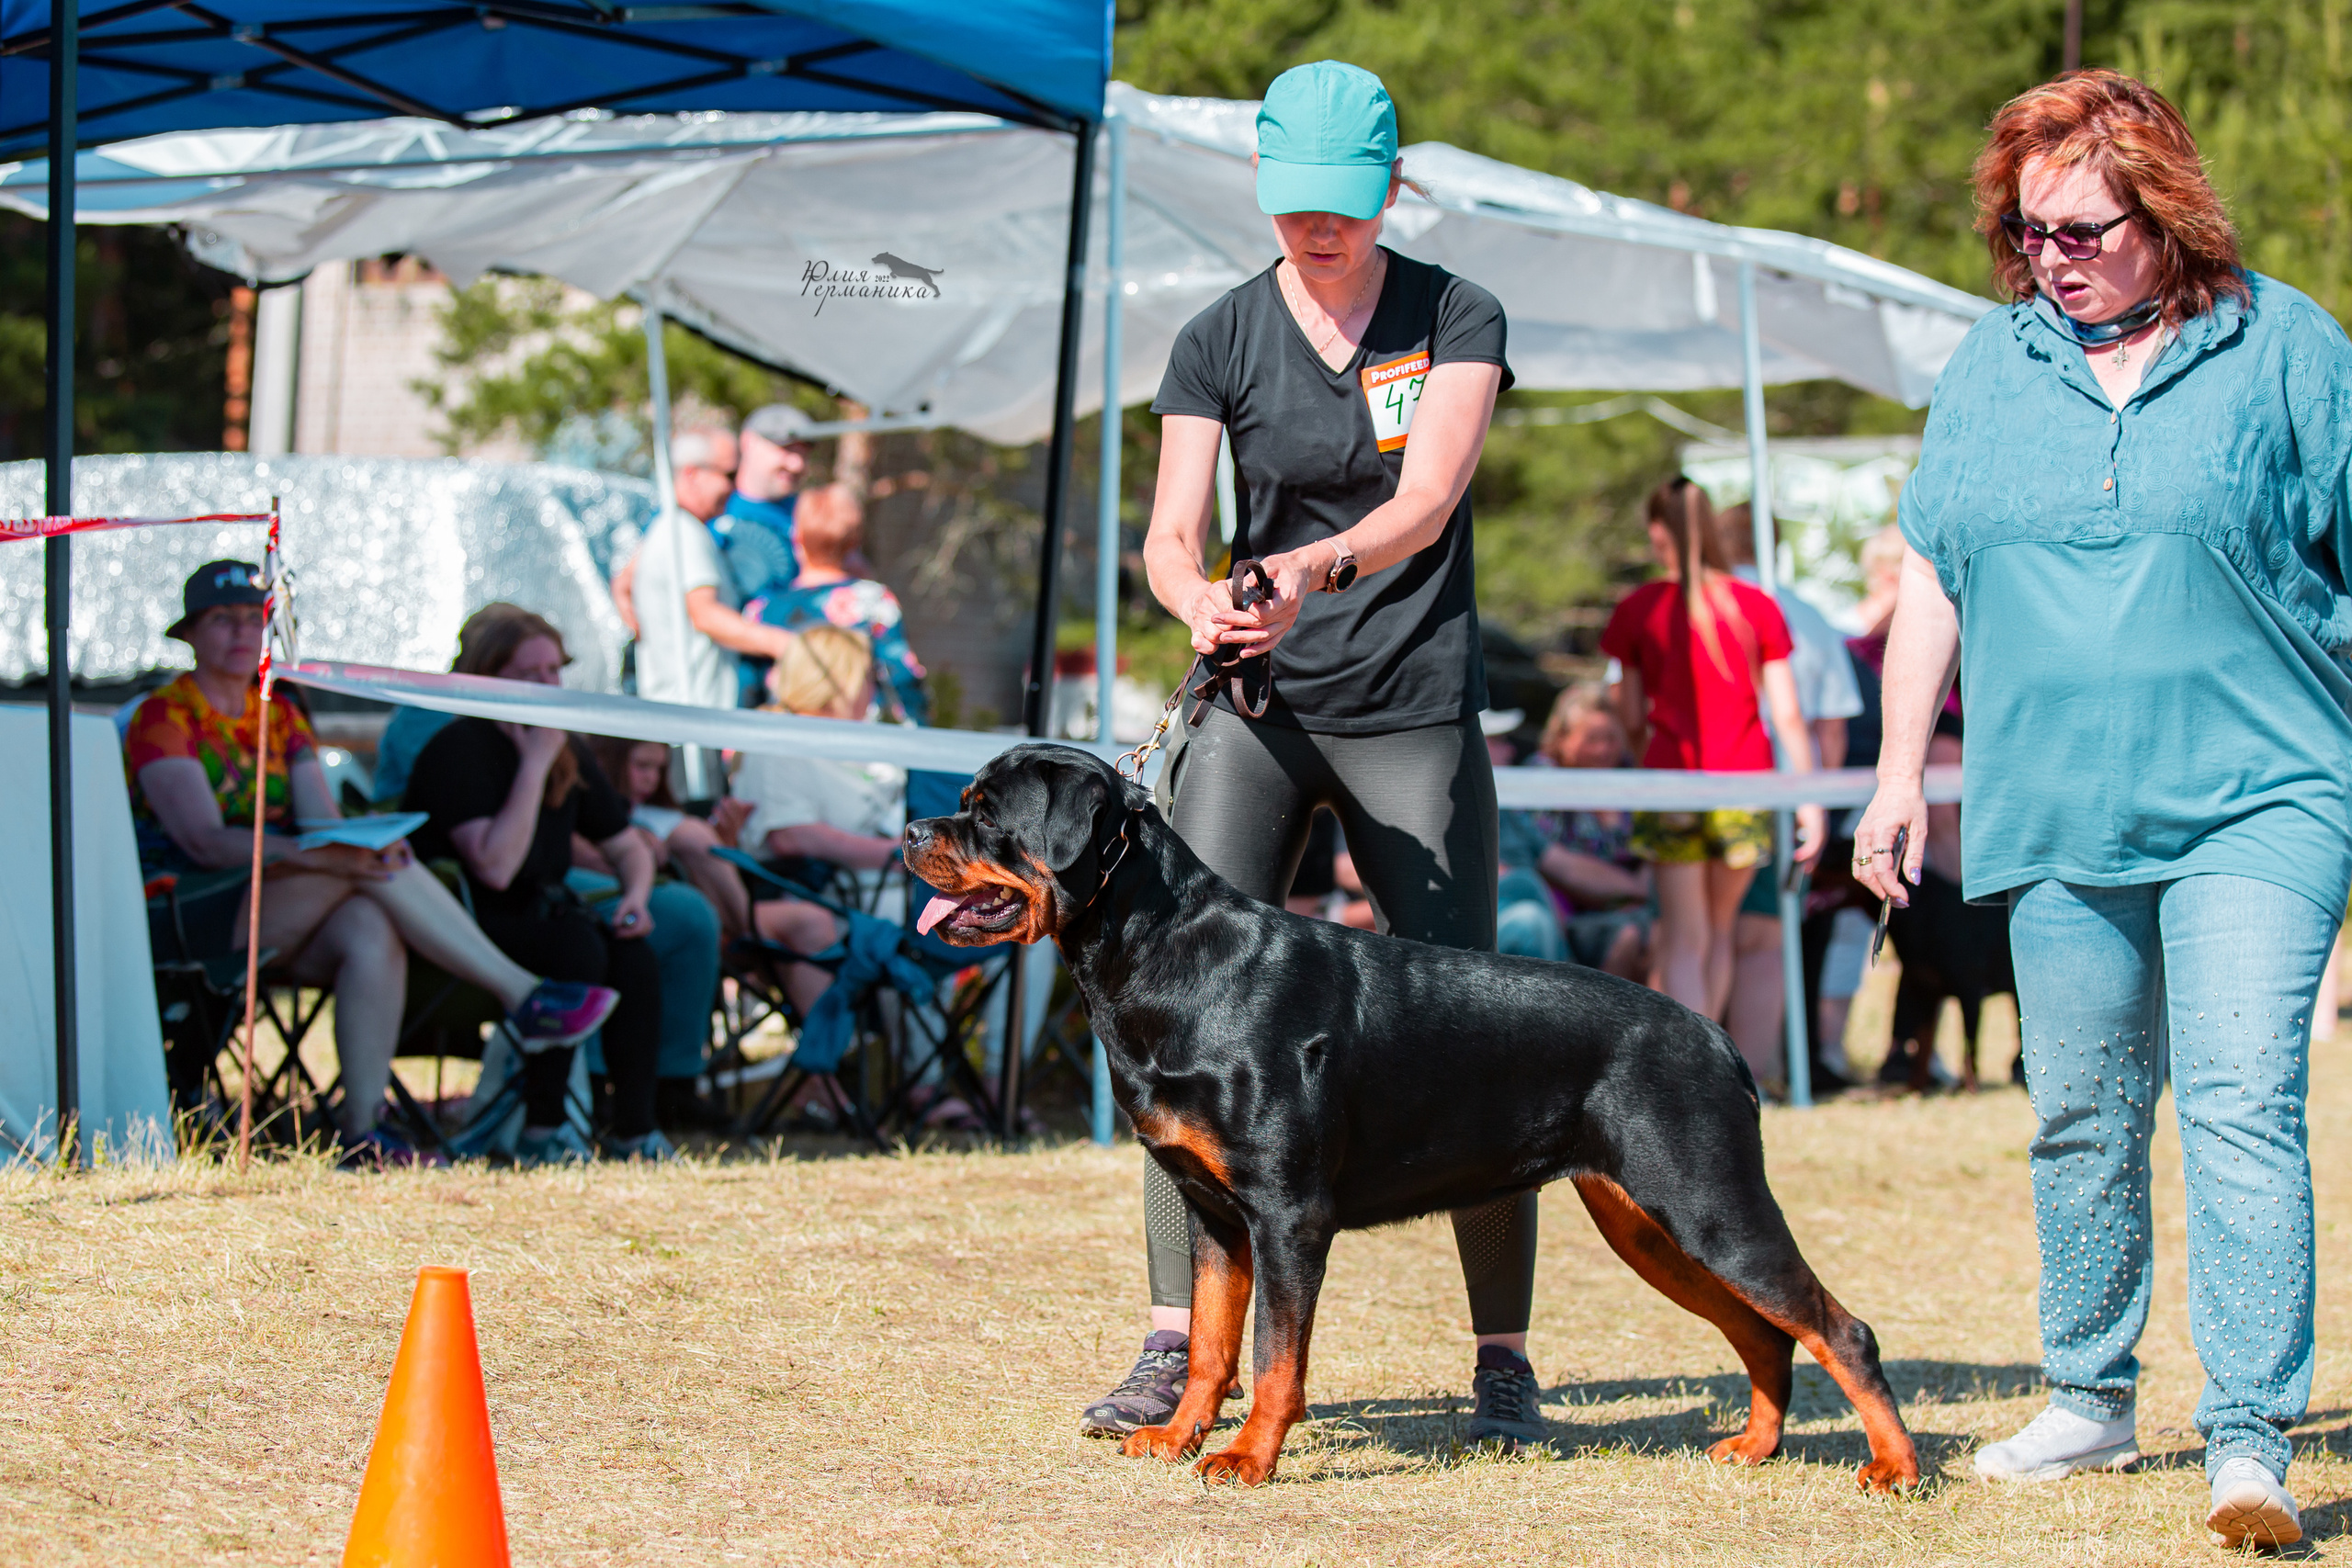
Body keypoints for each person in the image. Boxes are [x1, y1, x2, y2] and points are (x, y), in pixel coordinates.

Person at [1851, 70, 2352, 1548]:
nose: (2050, 254)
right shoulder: (1992, 364)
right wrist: (1895, 771)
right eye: (2027, 231)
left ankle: (2249, 1439)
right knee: (2077, 1112)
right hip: (2056, 801)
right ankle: (2088, 1391)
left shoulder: (2289, 346)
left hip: (2265, 795)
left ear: (2168, 211)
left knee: (2244, 1098)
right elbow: (1934, 564)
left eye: (2082, 226)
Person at [1091, 59, 1541, 1449]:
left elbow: (1429, 493)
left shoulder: (1454, 311)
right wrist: (1199, 599)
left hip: (1409, 706)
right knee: (1175, 1013)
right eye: (1295, 207)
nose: (1318, 230)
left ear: (1393, 186)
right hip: (1255, 711)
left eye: (1344, 206)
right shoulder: (1218, 336)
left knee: (1481, 1021)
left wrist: (1310, 566)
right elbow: (1172, 534)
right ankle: (1176, 1342)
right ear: (1264, 190)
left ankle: (1504, 1355)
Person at [125, 562, 618, 1163]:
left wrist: (355, 843)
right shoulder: (164, 715)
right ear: (192, 634)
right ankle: (522, 994)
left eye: (254, 620)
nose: (241, 633)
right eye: (220, 620)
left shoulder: (280, 715)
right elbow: (205, 842)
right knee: (364, 866)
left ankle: (362, 1132)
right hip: (191, 907)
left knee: (371, 919)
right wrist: (341, 855)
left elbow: (321, 822)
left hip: (280, 896)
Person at [402, 608, 673, 1165]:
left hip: (542, 914)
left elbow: (626, 845)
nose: (549, 685)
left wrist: (635, 900)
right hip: (461, 927)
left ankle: (634, 1133)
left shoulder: (560, 747)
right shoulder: (460, 750)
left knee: (632, 953)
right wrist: (534, 765)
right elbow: (496, 868)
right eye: (533, 673)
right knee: (576, 948)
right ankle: (541, 1130)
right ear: (492, 674)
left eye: (556, 670)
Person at [1601, 479, 1823, 1051]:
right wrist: (1810, 798)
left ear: (1656, 532)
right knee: (1721, 930)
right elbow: (1789, 713)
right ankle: (1713, 1062)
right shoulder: (1758, 607)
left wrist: (1641, 745)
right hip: (1747, 783)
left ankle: (1687, 1068)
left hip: (1672, 783)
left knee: (1683, 936)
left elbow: (1627, 712)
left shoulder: (1638, 608)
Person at [1715, 502, 1860, 1092]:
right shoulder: (1809, 617)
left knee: (1695, 938)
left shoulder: (1690, 602)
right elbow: (1830, 725)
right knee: (1759, 944)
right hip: (1774, 789)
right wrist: (1816, 802)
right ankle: (1745, 1085)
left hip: (1690, 786)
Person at [611, 427, 798, 709]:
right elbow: (705, 614)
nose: (734, 487)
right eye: (728, 475)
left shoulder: (673, 530)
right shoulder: (683, 533)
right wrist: (786, 645)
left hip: (681, 711)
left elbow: (625, 583)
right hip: (693, 719)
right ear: (691, 473)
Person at [747, 483, 931, 723]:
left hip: (784, 737)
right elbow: (901, 677)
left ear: (797, 536)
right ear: (854, 541)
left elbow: (749, 686)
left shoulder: (761, 610)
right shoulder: (874, 602)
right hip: (855, 741)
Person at [718, 402, 818, 705]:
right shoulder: (711, 503)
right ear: (748, 441)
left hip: (786, 686)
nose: (797, 464)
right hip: (711, 678)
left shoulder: (809, 514)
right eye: (786, 449)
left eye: (803, 453)